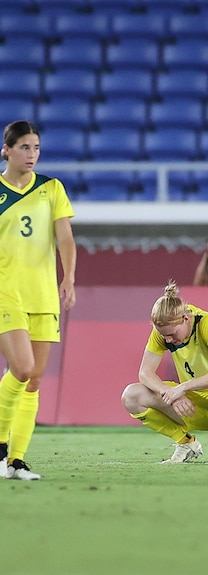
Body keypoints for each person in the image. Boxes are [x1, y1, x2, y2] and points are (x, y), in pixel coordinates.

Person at [0, 120, 77, 481]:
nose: (32, 154)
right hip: (6, 291)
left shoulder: (51, 188)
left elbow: (66, 239)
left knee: (33, 381)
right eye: (25, 148)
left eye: (36, 148)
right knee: (22, 368)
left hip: (43, 294)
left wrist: (69, 276)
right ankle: (0, 447)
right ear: (7, 150)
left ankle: (15, 462)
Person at [121, 280, 208, 464]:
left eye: (172, 334)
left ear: (185, 319)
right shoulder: (164, 332)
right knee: (131, 395)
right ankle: (185, 443)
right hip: (194, 406)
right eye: (164, 335)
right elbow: (145, 373)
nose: (168, 339)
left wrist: (182, 388)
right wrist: (170, 393)